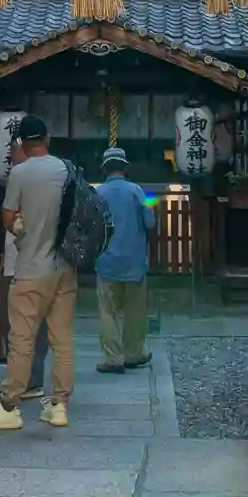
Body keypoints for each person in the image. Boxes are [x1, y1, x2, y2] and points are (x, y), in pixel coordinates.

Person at [0, 115, 74, 430]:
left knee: (22, 339)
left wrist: (20, 226)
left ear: (22, 144)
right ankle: (59, 405)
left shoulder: (20, 173)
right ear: (48, 139)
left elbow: (7, 217)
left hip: (30, 269)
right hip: (64, 267)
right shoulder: (66, 169)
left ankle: (9, 405)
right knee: (62, 339)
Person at [92, 147, 155, 372]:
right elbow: (150, 222)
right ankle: (134, 353)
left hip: (106, 261)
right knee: (135, 311)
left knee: (107, 311)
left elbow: (90, 227)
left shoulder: (96, 193)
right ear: (125, 168)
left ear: (104, 169)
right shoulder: (137, 191)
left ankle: (113, 358)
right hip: (134, 261)